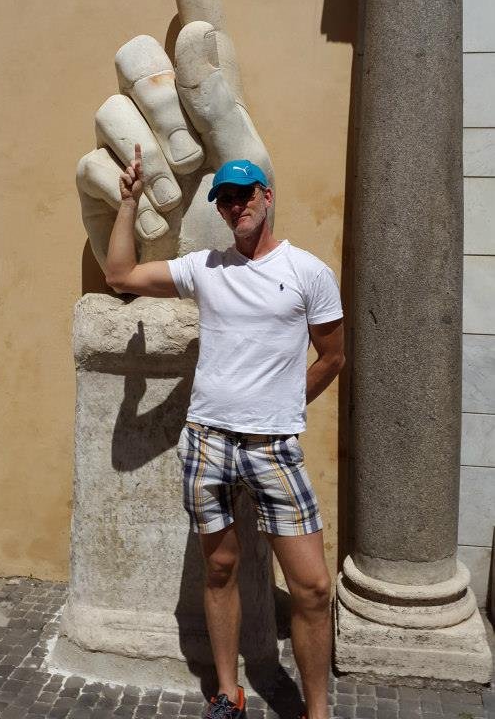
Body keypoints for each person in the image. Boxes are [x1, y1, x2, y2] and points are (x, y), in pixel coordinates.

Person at [105, 144, 345, 719]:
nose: (237, 205)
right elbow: (120, 275)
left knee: (313, 588)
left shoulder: (308, 272)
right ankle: (227, 693)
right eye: (227, 198)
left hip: (273, 447)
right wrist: (129, 202)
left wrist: (283, 405)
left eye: (245, 194)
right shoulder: (206, 268)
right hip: (207, 443)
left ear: (267, 197)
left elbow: (332, 356)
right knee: (219, 569)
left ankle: (316, 712)